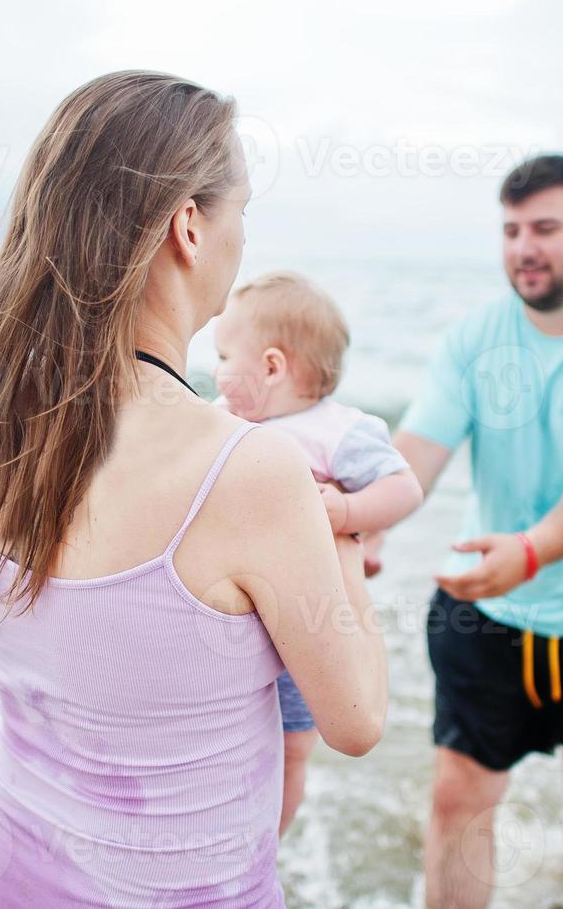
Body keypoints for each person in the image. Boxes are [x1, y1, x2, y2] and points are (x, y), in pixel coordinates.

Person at [0, 70, 387, 907]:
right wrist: (342, 540)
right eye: (241, 212)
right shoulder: (249, 469)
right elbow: (355, 718)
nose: (244, 240)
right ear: (189, 224)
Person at [368, 154, 563, 905]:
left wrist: (532, 549)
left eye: (544, 227)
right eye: (511, 230)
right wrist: (366, 523)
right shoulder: (473, 338)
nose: (523, 247)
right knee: (458, 793)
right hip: (486, 612)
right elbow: (415, 452)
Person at [210, 270, 423, 835]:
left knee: (293, 748)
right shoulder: (222, 420)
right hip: (239, 618)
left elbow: (404, 488)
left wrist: (348, 513)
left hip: (309, 624)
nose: (215, 369)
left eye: (225, 355)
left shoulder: (337, 432)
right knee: (231, 737)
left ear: (273, 367)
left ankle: (264, 844)